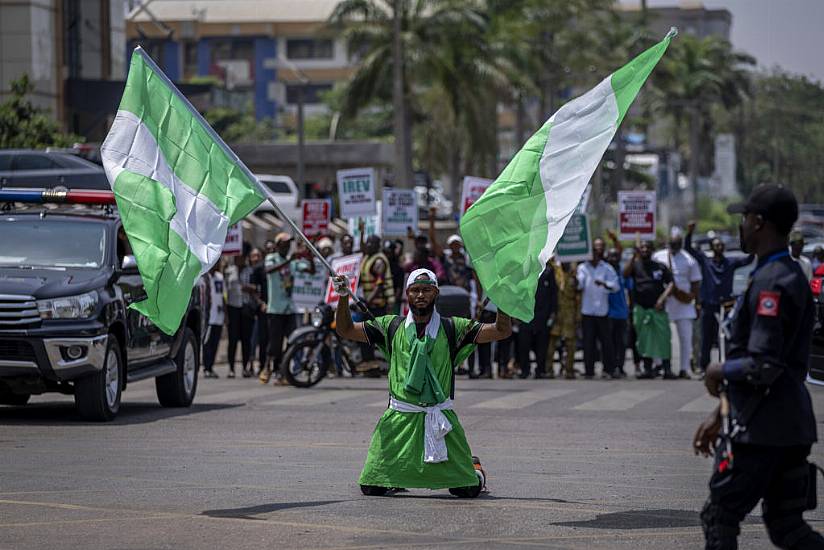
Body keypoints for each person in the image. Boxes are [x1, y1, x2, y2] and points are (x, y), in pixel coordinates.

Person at [694, 184, 823, 550]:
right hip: (782, 425)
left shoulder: (773, 281)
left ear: (759, 223)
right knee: (788, 528)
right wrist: (721, 415)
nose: (741, 227)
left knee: (719, 516)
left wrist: (718, 371)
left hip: (765, 431)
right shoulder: (776, 273)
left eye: (745, 219)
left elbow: (764, 364)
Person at [334, 268, 511, 496]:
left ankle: (473, 466)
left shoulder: (453, 328)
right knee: (371, 487)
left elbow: (501, 331)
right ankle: (397, 474)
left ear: (436, 293)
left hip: (439, 419)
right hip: (398, 420)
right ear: (407, 294)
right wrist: (342, 297)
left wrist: (504, 300)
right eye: (415, 290)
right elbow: (345, 329)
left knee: (466, 490)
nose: (420, 295)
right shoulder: (390, 326)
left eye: (427, 290)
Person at [685, 223, 754, 373]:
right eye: (716, 245)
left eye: (721, 245)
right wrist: (689, 233)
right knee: (706, 339)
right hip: (708, 306)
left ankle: (726, 365)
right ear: (711, 247)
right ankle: (705, 367)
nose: (719, 247)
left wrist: (747, 236)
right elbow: (689, 250)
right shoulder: (706, 261)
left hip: (725, 306)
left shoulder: (731, 262)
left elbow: (749, 259)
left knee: (725, 338)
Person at [261, 232, 313, 385]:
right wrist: (289, 260)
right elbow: (268, 270)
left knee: (292, 340)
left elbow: (311, 270)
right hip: (275, 309)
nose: (287, 247)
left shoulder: (293, 263)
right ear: (278, 246)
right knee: (275, 343)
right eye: (284, 244)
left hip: (289, 309)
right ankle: (267, 366)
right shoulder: (272, 258)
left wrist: (308, 253)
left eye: (289, 245)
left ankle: (281, 371)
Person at [653, 228, 702, 379]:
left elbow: (695, 283)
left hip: (683, 303)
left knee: (685, 337)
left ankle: (684, 368)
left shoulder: (689, 260)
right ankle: (659, 365)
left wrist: (696, 303)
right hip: (663, 301)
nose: (674, 245)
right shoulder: (658, 256)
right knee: (659, 336)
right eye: (672, 243)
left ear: (681, 244)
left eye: (677, 243)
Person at [624, 241, 675, 379]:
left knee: (663, 338)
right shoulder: (635, 266)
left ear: (652, 250)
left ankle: (667, 369)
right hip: (641, 309)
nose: (645, 250)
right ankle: (647, 368)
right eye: (642, 248)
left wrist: (662, 299)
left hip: (657, 309)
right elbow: (625, 274)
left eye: (647, 247)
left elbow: (671, 283)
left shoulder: (660, 266)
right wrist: (634, 256)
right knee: (644, 340)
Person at [577, 239, 619, 379]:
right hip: (588, 311)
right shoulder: (582, 267)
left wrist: (604, 283)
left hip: (602, 311)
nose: (596, 253)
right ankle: (589, 370)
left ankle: (608, 370)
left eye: (598, 250)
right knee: (588, 342)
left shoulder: (607, 268)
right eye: (594, 250)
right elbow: (579, 285)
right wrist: (575, 279)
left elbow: (615, 286)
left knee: (606, 342)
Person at [517, 262, 557, 379]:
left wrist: (553, 313)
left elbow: (553, 293)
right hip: (525, 313)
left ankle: (540, 370)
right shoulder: (523, 268)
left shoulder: (548, 271)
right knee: (524, 344)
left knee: (542, 345)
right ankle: (525, 370)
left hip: (543, 314)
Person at [546, 260, 580, 379]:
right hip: (557, 313)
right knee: (551, 343)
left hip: (569, 314)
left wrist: (578, 316)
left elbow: (578, 297)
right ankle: (548, 369)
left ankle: (569, 370)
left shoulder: (574, 278)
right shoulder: (556, 274)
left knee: (570, 344)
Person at [224, 253, 255, 378]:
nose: (239, 259)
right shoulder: (229, 271)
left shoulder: (250, 271)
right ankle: (231, 368)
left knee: (246, 340)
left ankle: (245, 368)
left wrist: (248, 288)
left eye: (241, 257)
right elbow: (224, 292)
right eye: (236, 257)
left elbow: (256, 287)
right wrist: (226, 313)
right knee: (232, 340)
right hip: (233, 308)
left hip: (246, 308)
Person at [605, 230, 630, 377]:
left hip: (621, 313)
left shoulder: (622, 272)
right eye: (611, 256)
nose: (614, 258)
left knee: (622, 343)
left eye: (616, 256)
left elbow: (629, 290)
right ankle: (610, 366)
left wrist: (615, 240)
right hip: (607, 313)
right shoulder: (604, 270)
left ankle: (620, 366)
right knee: (609, 343)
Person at [248, 247, 269, 376]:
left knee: (265, 339)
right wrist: (260, 303)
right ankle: (252, 364)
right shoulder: (256, 270)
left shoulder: (266, 269)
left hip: (268, 309)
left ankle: (264, 365)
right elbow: (253, 290)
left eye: (258, 255)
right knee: (254, 340)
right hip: (254, 311)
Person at [203, 262, 225, 379]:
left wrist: (225, 314)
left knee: (215, 344)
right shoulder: (204, 276)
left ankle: (211, 367)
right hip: (209, 317)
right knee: (207, 344)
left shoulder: (220, 277)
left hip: (219, 317)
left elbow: (223, 295)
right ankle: (206, 367)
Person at [383, 239, 405, 313]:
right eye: (385, 252)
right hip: (380, 304)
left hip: (393, 305)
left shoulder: (399, 269)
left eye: (388, 253)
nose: (386, 255)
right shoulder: (380, 267)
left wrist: (392, 304)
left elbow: (399, 289)